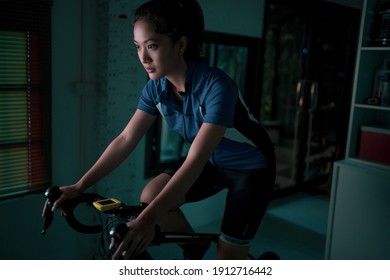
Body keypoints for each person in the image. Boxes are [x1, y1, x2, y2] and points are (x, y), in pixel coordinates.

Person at [43, 0, 275, 260]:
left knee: (227, 256)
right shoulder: (155, 89)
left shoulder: (216, 86)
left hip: (251, 168)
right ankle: (193, 246)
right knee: (151, 194)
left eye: (152, 46)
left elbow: (195, 160)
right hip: (213, 161)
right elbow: (125, 139)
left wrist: (146, 221)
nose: (143, 58)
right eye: (138, 47)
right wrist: (79, 186)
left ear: (181, 45)